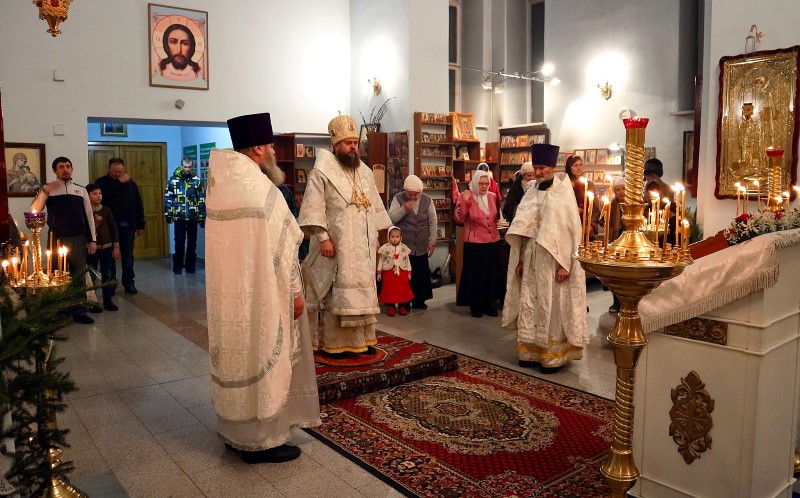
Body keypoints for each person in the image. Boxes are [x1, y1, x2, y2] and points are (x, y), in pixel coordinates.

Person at [206, 111, 320, 464]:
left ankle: (235, 435)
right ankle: (263, 441)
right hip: (263, 293)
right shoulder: (261, 188)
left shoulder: (220, 185)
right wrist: (295, 292)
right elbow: (286, 247)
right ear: (257, 148)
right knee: (264, 355)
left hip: (228, 297)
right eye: (269, 145)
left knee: (237, 360)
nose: (272, 151)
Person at [298, 114, 391, 357]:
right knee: (334, 294)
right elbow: (313, 207)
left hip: (363, 248)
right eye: (348, 143)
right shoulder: (322, 171)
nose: (353, 147)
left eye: (355, 143)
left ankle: (362, 340)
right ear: (336, 144)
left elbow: (374, 206)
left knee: (363, 292)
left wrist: (377, 236)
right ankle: (334, 343)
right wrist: (323, 237)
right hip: (337, 245)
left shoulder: (365, 172)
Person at [502, 144, 589, 372]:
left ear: (552, 167)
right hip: (532, 257)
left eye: (542, 168)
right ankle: (529, 351)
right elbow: (524, 228)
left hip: (553, 261)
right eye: (536, 167)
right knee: (530, 302)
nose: (538, 172)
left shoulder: (563, 192)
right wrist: (521, 259)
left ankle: (551, 356)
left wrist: (566, 264)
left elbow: (571, 233)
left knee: (551, 305)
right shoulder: (531, 191)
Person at [31, 156, 97, 324]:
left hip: (78, 238)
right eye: (61, 167)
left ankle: (79, 311)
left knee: (79, 276)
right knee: (56, 276)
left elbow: (89, 216)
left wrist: (93, 240)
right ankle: (59, 311)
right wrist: (45, 191)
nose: (65, 169)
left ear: (72, 169)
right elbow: (35, 209)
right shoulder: (48, 189)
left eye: (68, 166)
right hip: (56, 239)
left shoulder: (81, 190)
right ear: (55, 171)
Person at [454, 170, 503, 318]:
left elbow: (496, 217)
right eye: (481, 183)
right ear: (475, 183)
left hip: (492, 241)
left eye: (486, 184)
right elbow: (458, 219)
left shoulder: (492, 196)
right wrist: (464, 202)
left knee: (490, 274)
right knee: (475, 275)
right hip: (475, 243)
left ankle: (488, 304)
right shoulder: (466, 196)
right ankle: (475, 305)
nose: (484, 186)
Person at [95, 158, 145, 294]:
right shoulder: (101, 182)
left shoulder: (131, 184)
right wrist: (118, 182)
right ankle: (110, 285)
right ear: (108, 169)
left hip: (127, 226)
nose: (117, 174)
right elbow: (102, 196)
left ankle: (129, 283)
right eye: (115, 172)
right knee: (110, 257)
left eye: (120, 172)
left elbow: (138, 204)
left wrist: (140, 224)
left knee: (128, 257)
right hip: (108, 227)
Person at [387, 174, 436, 310]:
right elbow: (391, 218)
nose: (413, 197)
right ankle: (405, 302)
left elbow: (432, 221)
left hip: (421, 245)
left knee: (420, 274)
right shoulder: (398, 198)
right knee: (405, 275)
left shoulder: (427, 200)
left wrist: (432, 242)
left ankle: (419, 301)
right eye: (410, 194)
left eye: (416, 194)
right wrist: (404, 209)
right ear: (405, 191)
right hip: (404, 246)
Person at [164, 158, 206, 274]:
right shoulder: (173, 181)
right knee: (179, 242)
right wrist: (168, 214)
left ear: (192, 167)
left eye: (189, 167)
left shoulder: (197, 181)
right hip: (179, 216)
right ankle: (177, 266)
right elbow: (168, 198)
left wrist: (202, 216)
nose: (187, 169)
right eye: (185, 167)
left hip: (193, 216)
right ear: (181, 166)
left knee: (192, 243)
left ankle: (190, 266)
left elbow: (201, 199)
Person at [85, 183, 120, 311]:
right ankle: (92, 302)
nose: (98, 196)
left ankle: (108, 300)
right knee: (91, 275)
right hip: (91, 248)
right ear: (87, 196)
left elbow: (114, 229)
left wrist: (116, 246)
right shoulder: (85, 211)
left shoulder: (106, 210)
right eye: (94, 194)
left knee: (108, 274)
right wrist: (96, 222)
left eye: (100, 193)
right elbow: (86, 230)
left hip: (107, 247)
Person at [377, 226, 414, 316]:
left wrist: (409, 272)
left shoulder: (404, 248)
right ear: (388, 237)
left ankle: (402, 306)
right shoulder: (385, 248)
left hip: (402, 272)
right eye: (392, 237)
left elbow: (407, 261)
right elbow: (381, 260)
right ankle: (391, 307)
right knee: (390, 290)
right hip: (389, 273)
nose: (395, 239)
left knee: (402, 290)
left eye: (397, 237)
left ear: (400, 237)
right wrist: (379, 272)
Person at [565, 155, 600, 242]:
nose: (579, 168)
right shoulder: (565, 184)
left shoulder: (589, 185)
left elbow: (594, 207)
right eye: (575, 165)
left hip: (585, 222)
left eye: (580, 165)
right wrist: (573, 210)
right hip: (568, 223)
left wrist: (590, 223)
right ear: (570, 167)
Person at [605, 176, 626, 313]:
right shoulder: (611, 205)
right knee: (615, 274)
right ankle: (616, 302)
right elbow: (604, 221)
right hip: (615, 241)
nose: (621, 192)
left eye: (623, 188)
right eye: (618, 189)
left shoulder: (634, 204)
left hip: (629, 243)